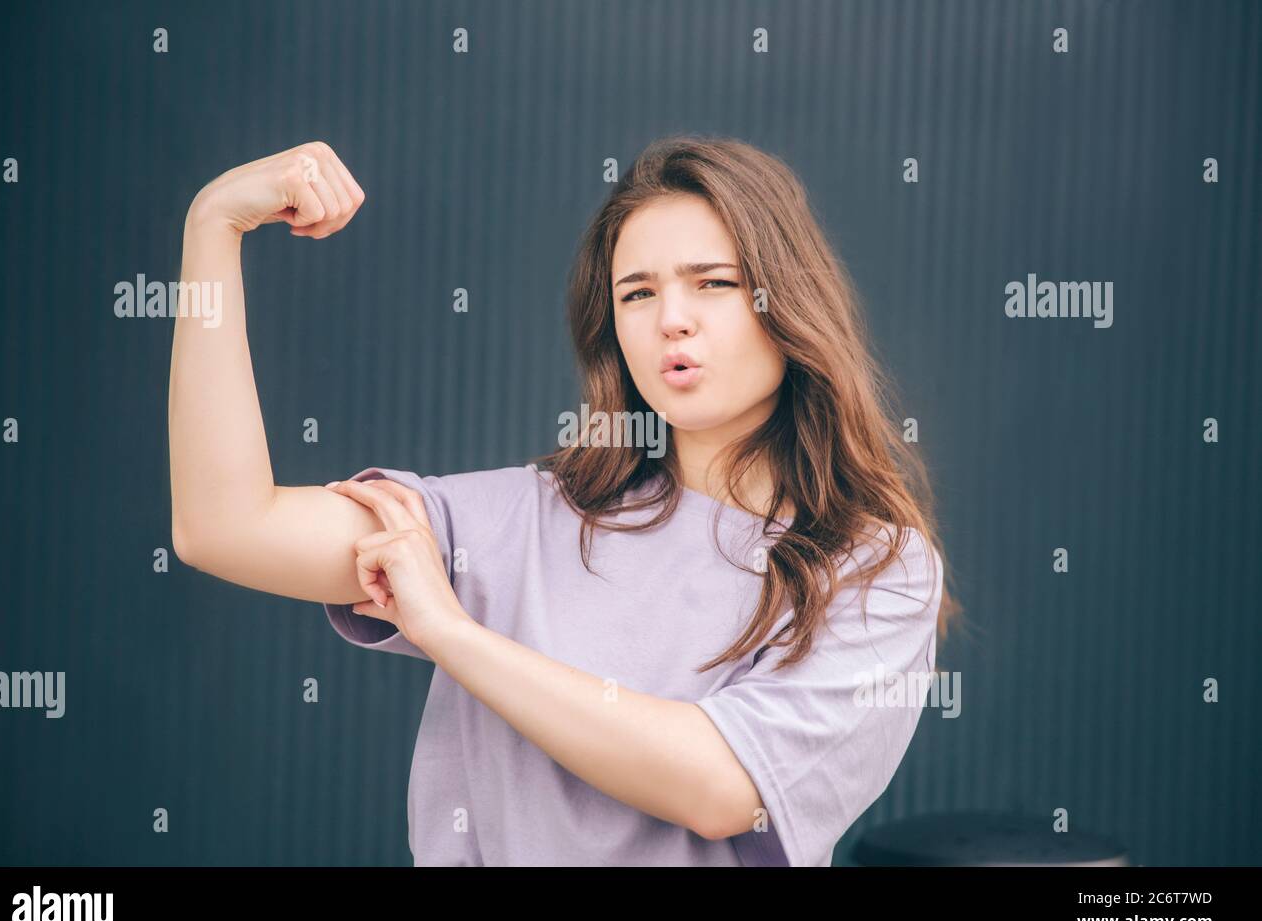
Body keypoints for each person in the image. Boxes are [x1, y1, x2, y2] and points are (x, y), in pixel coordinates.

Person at [169, 135, 960, 866]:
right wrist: (213, 226)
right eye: (637, 294)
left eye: (714, 283)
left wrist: (449, 631)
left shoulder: (876, 570)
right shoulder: (518, 520)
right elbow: (224, 527)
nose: (672, 322)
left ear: (787, 304)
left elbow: (721, 787)